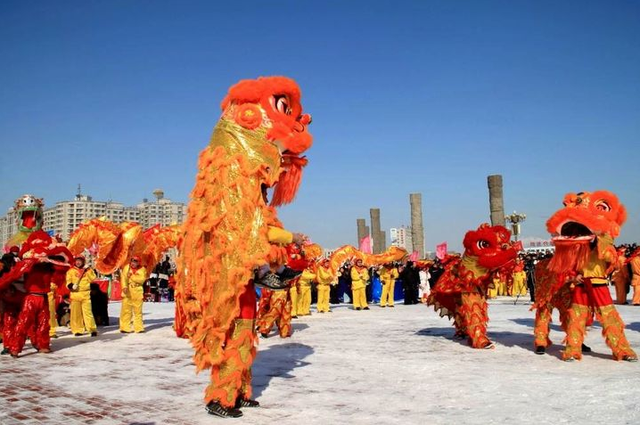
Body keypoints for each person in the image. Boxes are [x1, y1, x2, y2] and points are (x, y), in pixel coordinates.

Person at [66, 256, 98, 337]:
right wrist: (71, 286)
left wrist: (88, 270)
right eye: (77, 261)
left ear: (83, 262)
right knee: (76, 314)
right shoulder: (71, 271)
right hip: (75, 295)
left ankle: (92, 329)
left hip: (86, 294)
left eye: (80, 261)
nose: (78, 262)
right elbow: (68, 281)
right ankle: (77, 330)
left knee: (88, 313)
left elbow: (93, 279)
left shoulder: (87, 270)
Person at [119, 256, 147, 333]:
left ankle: (138, 328)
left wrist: (132, 276)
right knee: (126, 310)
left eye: (135, 262)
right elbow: (123, 278)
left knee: (138, 311)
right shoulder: (126, 268)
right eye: (132, 261)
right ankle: (125, 327)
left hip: (138, 290)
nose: (133, 263)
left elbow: (141, 279)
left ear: (138, 263)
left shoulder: (142, 269)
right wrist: (124, 287)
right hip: (128, 290)